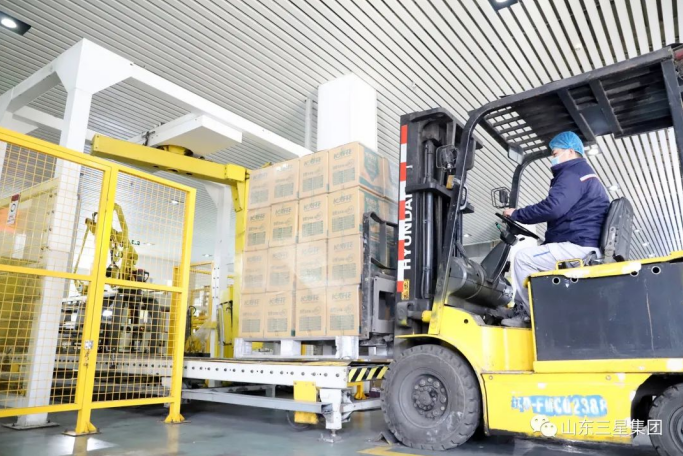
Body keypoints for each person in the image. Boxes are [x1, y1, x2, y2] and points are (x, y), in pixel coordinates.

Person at [501, 131, 610, 328]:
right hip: (583, 243)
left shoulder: (572, 173)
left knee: (523, 258)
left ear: (570, 151)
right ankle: (521, 307)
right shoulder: (582, 173)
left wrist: (517, 214)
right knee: (535, 256)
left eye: (555, 153)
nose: (553, 158)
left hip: (579, 246)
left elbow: (553, 208)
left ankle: (529, 316)